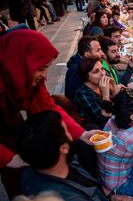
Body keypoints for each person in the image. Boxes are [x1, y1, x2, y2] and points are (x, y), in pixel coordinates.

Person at [0, 30, 98, 198]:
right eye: (41, 68)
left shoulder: (26, 78)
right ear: (20, 63)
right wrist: (10, 159)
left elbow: (48, 107)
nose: (45, 76)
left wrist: (81, 134)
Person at [17, 111, 133, 201]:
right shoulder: (64, 196)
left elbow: (91, 184)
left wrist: (111, 196)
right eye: (67, 130)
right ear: (63, 148)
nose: (72, 133)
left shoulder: (58, 160)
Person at [74, 58, 121, 127]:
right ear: (86, 76)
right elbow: (103, 122)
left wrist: (114, 90)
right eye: (96, 71)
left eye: (102, 69)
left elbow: (121, 109)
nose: (102, 74)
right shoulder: (82, 94)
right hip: (97, 132)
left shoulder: (100, 85)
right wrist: (106, 95)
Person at [65, 36, 105, 101]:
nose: (102, 53)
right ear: (87, 55)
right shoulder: (76, 71)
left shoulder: (86, 63)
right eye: (98, 50)